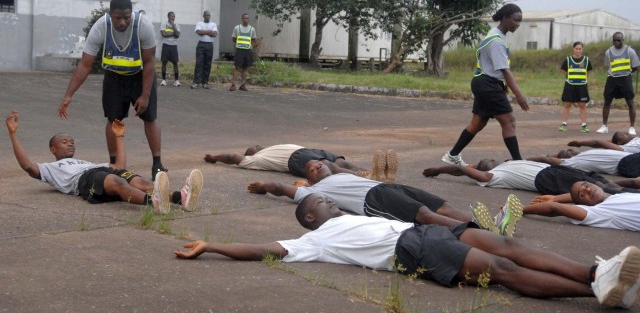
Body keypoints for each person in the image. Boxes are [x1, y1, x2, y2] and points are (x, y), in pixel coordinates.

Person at [175, 193, 640, 309]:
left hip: (424, 233)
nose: (329, 200)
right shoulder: (311, 239)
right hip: (411, 250)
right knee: (500, 270)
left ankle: (595, 272)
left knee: (506, 243)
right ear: (311, 217)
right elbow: (261, 249)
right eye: (320, 202)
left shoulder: (352, 214)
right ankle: (596, 288)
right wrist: (212, 244)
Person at [248, 159, 523, 237]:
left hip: (389, 187)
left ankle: (489, 224)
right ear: (309, 180)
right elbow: (281, 188)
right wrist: (263, 184)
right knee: (425, 216)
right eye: (311, 168)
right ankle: (485, 234)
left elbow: (348, 166)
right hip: (375, 200)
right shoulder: (314, 191)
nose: (317, 165)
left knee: (442, 206)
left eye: (319, 162)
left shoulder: (341, 173)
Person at [6, 110, 203, 214]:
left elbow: (119, 167)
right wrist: (13, 134)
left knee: (141, 182)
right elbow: (27, 166)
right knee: (118, 182)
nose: (70, 144)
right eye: (64, 142)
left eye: (72, 142)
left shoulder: (85, 161)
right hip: (85, 180)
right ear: (53, 149)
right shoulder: (50, 168)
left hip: (98, 170)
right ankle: (154, 203)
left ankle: (179, 198)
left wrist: (119, 136)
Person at [56, 0, 167, 181]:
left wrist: (145, 95)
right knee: (113, 120)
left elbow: (149, 63)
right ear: (111, 15)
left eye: (126, 17)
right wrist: (68, 95)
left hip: (140, 77)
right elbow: (85, 64)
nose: (122, 22)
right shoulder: (101, 27)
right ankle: (114, 164)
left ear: (131, 14)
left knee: (150, 117)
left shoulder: (143, 25)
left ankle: (157, 164)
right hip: (114, 79)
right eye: (118, 18)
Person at [442, 4, 529, 166]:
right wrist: (519, 95)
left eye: (520, 21)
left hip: (484, 82)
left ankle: (452, 155)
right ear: (505, 18)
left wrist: (503, 86)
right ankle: (519, 164)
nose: (517, 24)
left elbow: (495, 68)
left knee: (478, 122)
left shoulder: (497, 35)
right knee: (509, 122)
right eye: (515, 20)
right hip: (487, 84)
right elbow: (505, 70)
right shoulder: (496, 41)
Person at [423, 159, 640, 195]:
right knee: (601, 192)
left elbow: (540, 158)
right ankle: (630, 198)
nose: (490, 159)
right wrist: (440, 169)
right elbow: (462, 170)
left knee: (602, 181)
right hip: (546, 179)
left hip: (555, 170)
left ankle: (631, 193)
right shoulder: (493, 175)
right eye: (485, 161)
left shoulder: (511, 162)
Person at [203, 144, 390, 181]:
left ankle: (371, 176)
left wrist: (214, 158)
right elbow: (233, 158)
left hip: (300, 154)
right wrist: (214, 158)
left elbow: (232, 157)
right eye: (253, 147)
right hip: (299, 154)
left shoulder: (264, 152)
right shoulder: (255, 158)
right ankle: (370, 175)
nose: (255, 146)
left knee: (338, 164)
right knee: (336, 165)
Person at [524, 181, 640, 232]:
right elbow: (555, 208)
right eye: (582, 194)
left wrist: (556, 197)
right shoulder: (600, 212)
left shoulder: (616, 196)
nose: (588, 190)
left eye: (587, 185)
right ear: (584, 205)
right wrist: (521, 209)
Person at [597, 32, 640, 136]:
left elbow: (636, 67)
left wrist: (628, 72)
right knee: (607, 102)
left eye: (619, 40)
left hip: (625, 79)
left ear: (623, 40)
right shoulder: (608, 52)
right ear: (612, 40)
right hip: (612, 79)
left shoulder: (629, 51)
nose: (616, 42)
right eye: (614, 40)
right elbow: (609, 65)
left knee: (630, 103)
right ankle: (604, 126)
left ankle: (632, 127)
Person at [529, 148, 640, 178]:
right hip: (629, 164)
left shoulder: (588, 152)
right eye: (567, 152)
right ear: (566, 158)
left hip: (632, 157)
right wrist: (519, 160)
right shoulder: (574, 162)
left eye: (569, 148)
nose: (570, 149)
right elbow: (545, 160)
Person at [559, 42, 592, 133]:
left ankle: (584, 125)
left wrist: (582, 79)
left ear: (582, 49)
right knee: (567, 104)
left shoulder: (586, 60)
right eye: (576, 48)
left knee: (582, 105)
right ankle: (564, 124)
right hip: (570, 85)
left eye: (579, 49)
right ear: (573, 49)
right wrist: (569, 78)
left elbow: (588, 71)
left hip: (582, 85)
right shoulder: (568, 60)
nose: (578, 50)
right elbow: (563, 70)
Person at [229, 13, 257, 91]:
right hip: (239, 50)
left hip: (248, 51)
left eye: (247, 18)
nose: (246, 20)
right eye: (244, 18)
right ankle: (233, 84)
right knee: (237, 67)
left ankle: (243, 85)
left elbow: (253, 40)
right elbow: (234, 38)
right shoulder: (237, 28)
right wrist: (240, 44)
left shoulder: (252, 29)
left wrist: (249, 46)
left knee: (245, 68)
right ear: (242, 19)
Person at [191, 10, 217, 89]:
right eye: (206, 15)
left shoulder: (213, 24)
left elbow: (215, 34)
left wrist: (204, 32)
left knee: (207, 64)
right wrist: (209, 31)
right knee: (199, 63)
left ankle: (205, 82)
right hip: (201, 45)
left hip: (209, 45)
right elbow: (199, 32)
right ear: (203, 16)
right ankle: (196, 82)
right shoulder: (199, 23)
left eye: (209, 15)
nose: (208, 17)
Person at [159, 11, 181, 87]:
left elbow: (178, 35)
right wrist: (174, 33)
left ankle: (176, 80)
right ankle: (164, 80)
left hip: (174, 46)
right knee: (164, 63)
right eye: (172, 16)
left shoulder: (177, 25)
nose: (173, 18)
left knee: (175, 63)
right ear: (168, 17)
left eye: (174, 16)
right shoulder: (164, 24)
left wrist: (173, 26)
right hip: (166, 45)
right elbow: (164, 34)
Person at [568, 132, 640, 153]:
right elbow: (598, 142)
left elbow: (608, 142)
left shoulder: (634, 139)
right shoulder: (627, 147)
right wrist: (579, 143)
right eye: (623, 134)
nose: (626, 133)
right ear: (620, 142)